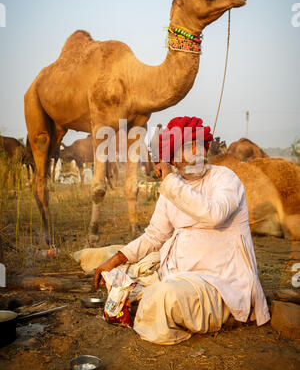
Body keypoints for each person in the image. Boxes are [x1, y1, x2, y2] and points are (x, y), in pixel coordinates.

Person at [94, 116, 270, 345]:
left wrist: (169, 181)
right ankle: (150, 297)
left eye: (198, 144)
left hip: (219, 282)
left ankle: (195, 311)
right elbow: (154, 235)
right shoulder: (173, 186)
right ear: (173, 158)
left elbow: (213, 214)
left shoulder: (224, 178)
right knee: (118, 278)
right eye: (187, 147)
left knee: (162, 296)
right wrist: (113, 261)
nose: (197, 152)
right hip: (177, 276)